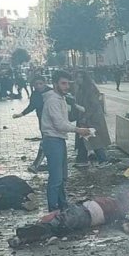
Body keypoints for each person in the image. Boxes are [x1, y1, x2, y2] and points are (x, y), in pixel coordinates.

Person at [40, 71, 95, 211]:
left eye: (68, 84)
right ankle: (53, 208)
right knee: (56, 178)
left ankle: (62, 204)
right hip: (52, 140)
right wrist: (79, 130)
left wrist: (75, 107)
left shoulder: (61, 99)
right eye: (63, 83)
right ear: (55, 84)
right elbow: (59, 124)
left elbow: (66, 119)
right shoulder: (53, 100)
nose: (66, 87)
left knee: (62, 176)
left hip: (59, 139)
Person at [14, 77, 50, 172]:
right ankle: (48, 163)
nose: (38, 86)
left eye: (40, 83)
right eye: (36, 84)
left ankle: (36, 165)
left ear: (45, 83)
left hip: (52, 121)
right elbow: (32, 106)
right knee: (47, 142)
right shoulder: (35, 94)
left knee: (46, 142)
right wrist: (21, 114)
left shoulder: (51, 92)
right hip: (42, 120)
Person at [75, 71, 111, 166]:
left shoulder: (89, 89)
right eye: (77, 77)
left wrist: (85, 117)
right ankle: (82, 159)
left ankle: (103, 159)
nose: (77, 79)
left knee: (94, 139)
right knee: (84, 138)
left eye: (80, 77)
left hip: (92, 119)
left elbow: (93, 106)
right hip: (86, 117)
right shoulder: (81, 89)